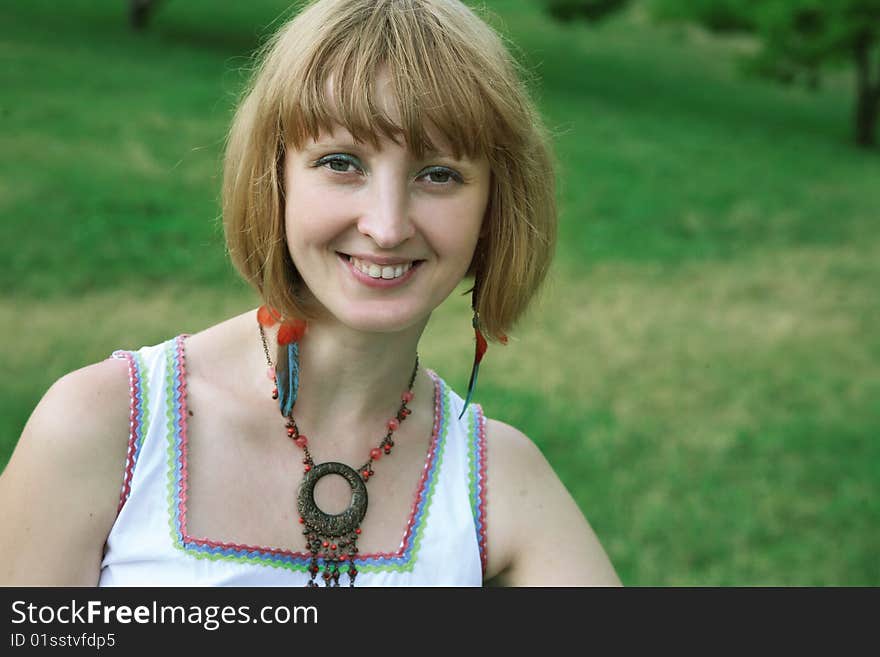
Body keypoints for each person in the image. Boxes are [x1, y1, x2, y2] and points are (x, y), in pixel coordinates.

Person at [0, 0, 620, 587]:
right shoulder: (105, 427)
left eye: (439, 174)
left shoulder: (497, 479)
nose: (387, 225)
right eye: (341, 162)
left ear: (494, 207)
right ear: (275, 179)